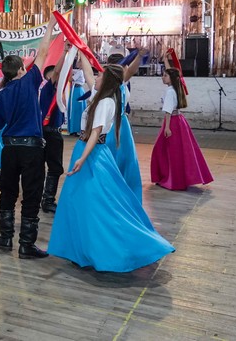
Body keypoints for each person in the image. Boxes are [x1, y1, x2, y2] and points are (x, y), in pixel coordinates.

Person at [47, 59, 175, 272]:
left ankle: (106, 250)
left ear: (107, 81)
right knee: (80, 201)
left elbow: (95, 133)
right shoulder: (100, 97)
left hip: (91, 153)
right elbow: (89, 75)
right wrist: (80, 49)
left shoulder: (106, 102)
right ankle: (82, 250)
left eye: (100, 75)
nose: (95, 77)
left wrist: (82, 158)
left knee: (97, 203)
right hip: (86, 151)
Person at [0, 18, 56, 259]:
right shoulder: (30, 81)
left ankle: (6, 237)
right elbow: (43, 51)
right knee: (31, 194)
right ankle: (26, 245)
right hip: (31, 150)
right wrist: (50, 27)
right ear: (21, 69)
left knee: (7, 192)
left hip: (9, 150)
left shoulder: (2, 95)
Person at [150, 58, 214, 190]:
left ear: (171, 78)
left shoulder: (170, 91)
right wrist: (166, 59)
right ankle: (174, 178)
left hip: (172, 122)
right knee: (179, 151)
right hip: (179, 121)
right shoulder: (176, 88)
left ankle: (170, 179)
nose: (162, 77)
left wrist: (167, 127)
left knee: (165, 150)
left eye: (165, 75)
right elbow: (173, 73)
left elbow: (168, 111)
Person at [104, 50, 147, 204]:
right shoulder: (108, 83)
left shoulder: (122, 82)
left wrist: (139, 56)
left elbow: (132, 70)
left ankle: (125, 196)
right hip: (110, 126)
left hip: (122, 126)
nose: (126, 69)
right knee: (112, 159)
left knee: (125, 161)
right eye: (124, 66)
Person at [39, 53, 65, 213]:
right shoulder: (48, 89)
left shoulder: (56, 92)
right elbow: (56, 72)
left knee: (48, 167)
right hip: (50, 133)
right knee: (54, 168)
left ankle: (44, 199)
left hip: (49, 132)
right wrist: (65, 53)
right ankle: (47, 200)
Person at [67, 65, 86, 135]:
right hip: (75, 90)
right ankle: (74, 129)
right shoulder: (78, 71)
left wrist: (70, 72)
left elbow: (70, 79)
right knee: (74, 110)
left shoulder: (80, 72)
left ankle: (77, 129)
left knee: (77, 110)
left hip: (77, 91)